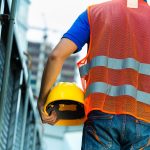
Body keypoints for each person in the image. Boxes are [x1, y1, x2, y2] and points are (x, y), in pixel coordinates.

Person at [38, 0, 150, 149]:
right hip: (145, 121)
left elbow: (56, 56)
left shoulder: (95, 13)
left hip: (101, 117)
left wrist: (42, 101)